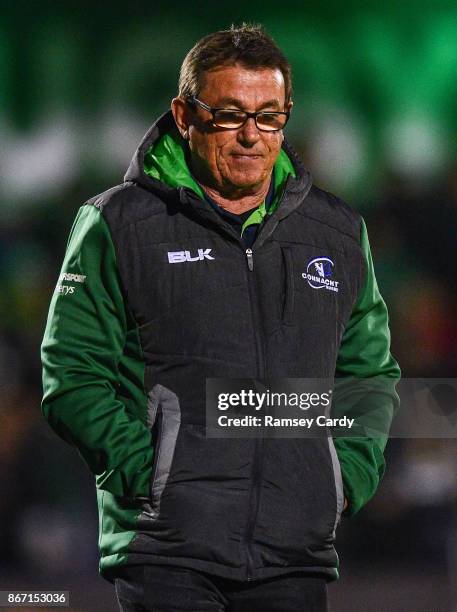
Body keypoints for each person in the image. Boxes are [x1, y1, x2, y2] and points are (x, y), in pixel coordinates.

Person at [41, 24, 400, 612]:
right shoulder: (118, 224)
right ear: (184, 115)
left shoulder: (337, 233)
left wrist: (343, 478)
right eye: (228, 116)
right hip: (166, 553)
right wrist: (149, 475)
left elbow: (370, 372)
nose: (251, 137)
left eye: (269, 117)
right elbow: (72, 374)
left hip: (294, 552)